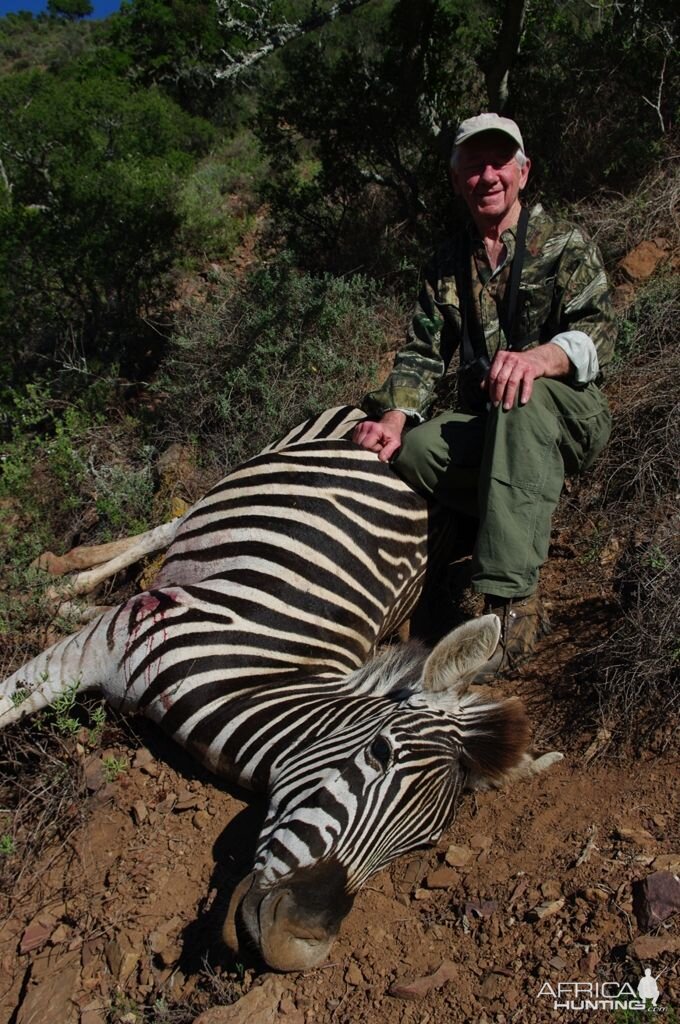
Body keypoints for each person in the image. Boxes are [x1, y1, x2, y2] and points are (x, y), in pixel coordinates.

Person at [353, 113, 616, 679]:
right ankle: (510, 511)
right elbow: (423, 351)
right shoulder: (448, 261)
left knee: (520, 397)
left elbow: (599, 335)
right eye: (473, 166)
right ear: (457, 181)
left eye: (499, 163)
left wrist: (542, 358)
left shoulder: (566, 244)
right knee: (416, 451)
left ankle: (509, 610)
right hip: (495, 424)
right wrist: (395, 418)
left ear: (523, 172)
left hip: (569, 414)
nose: (487, 176)